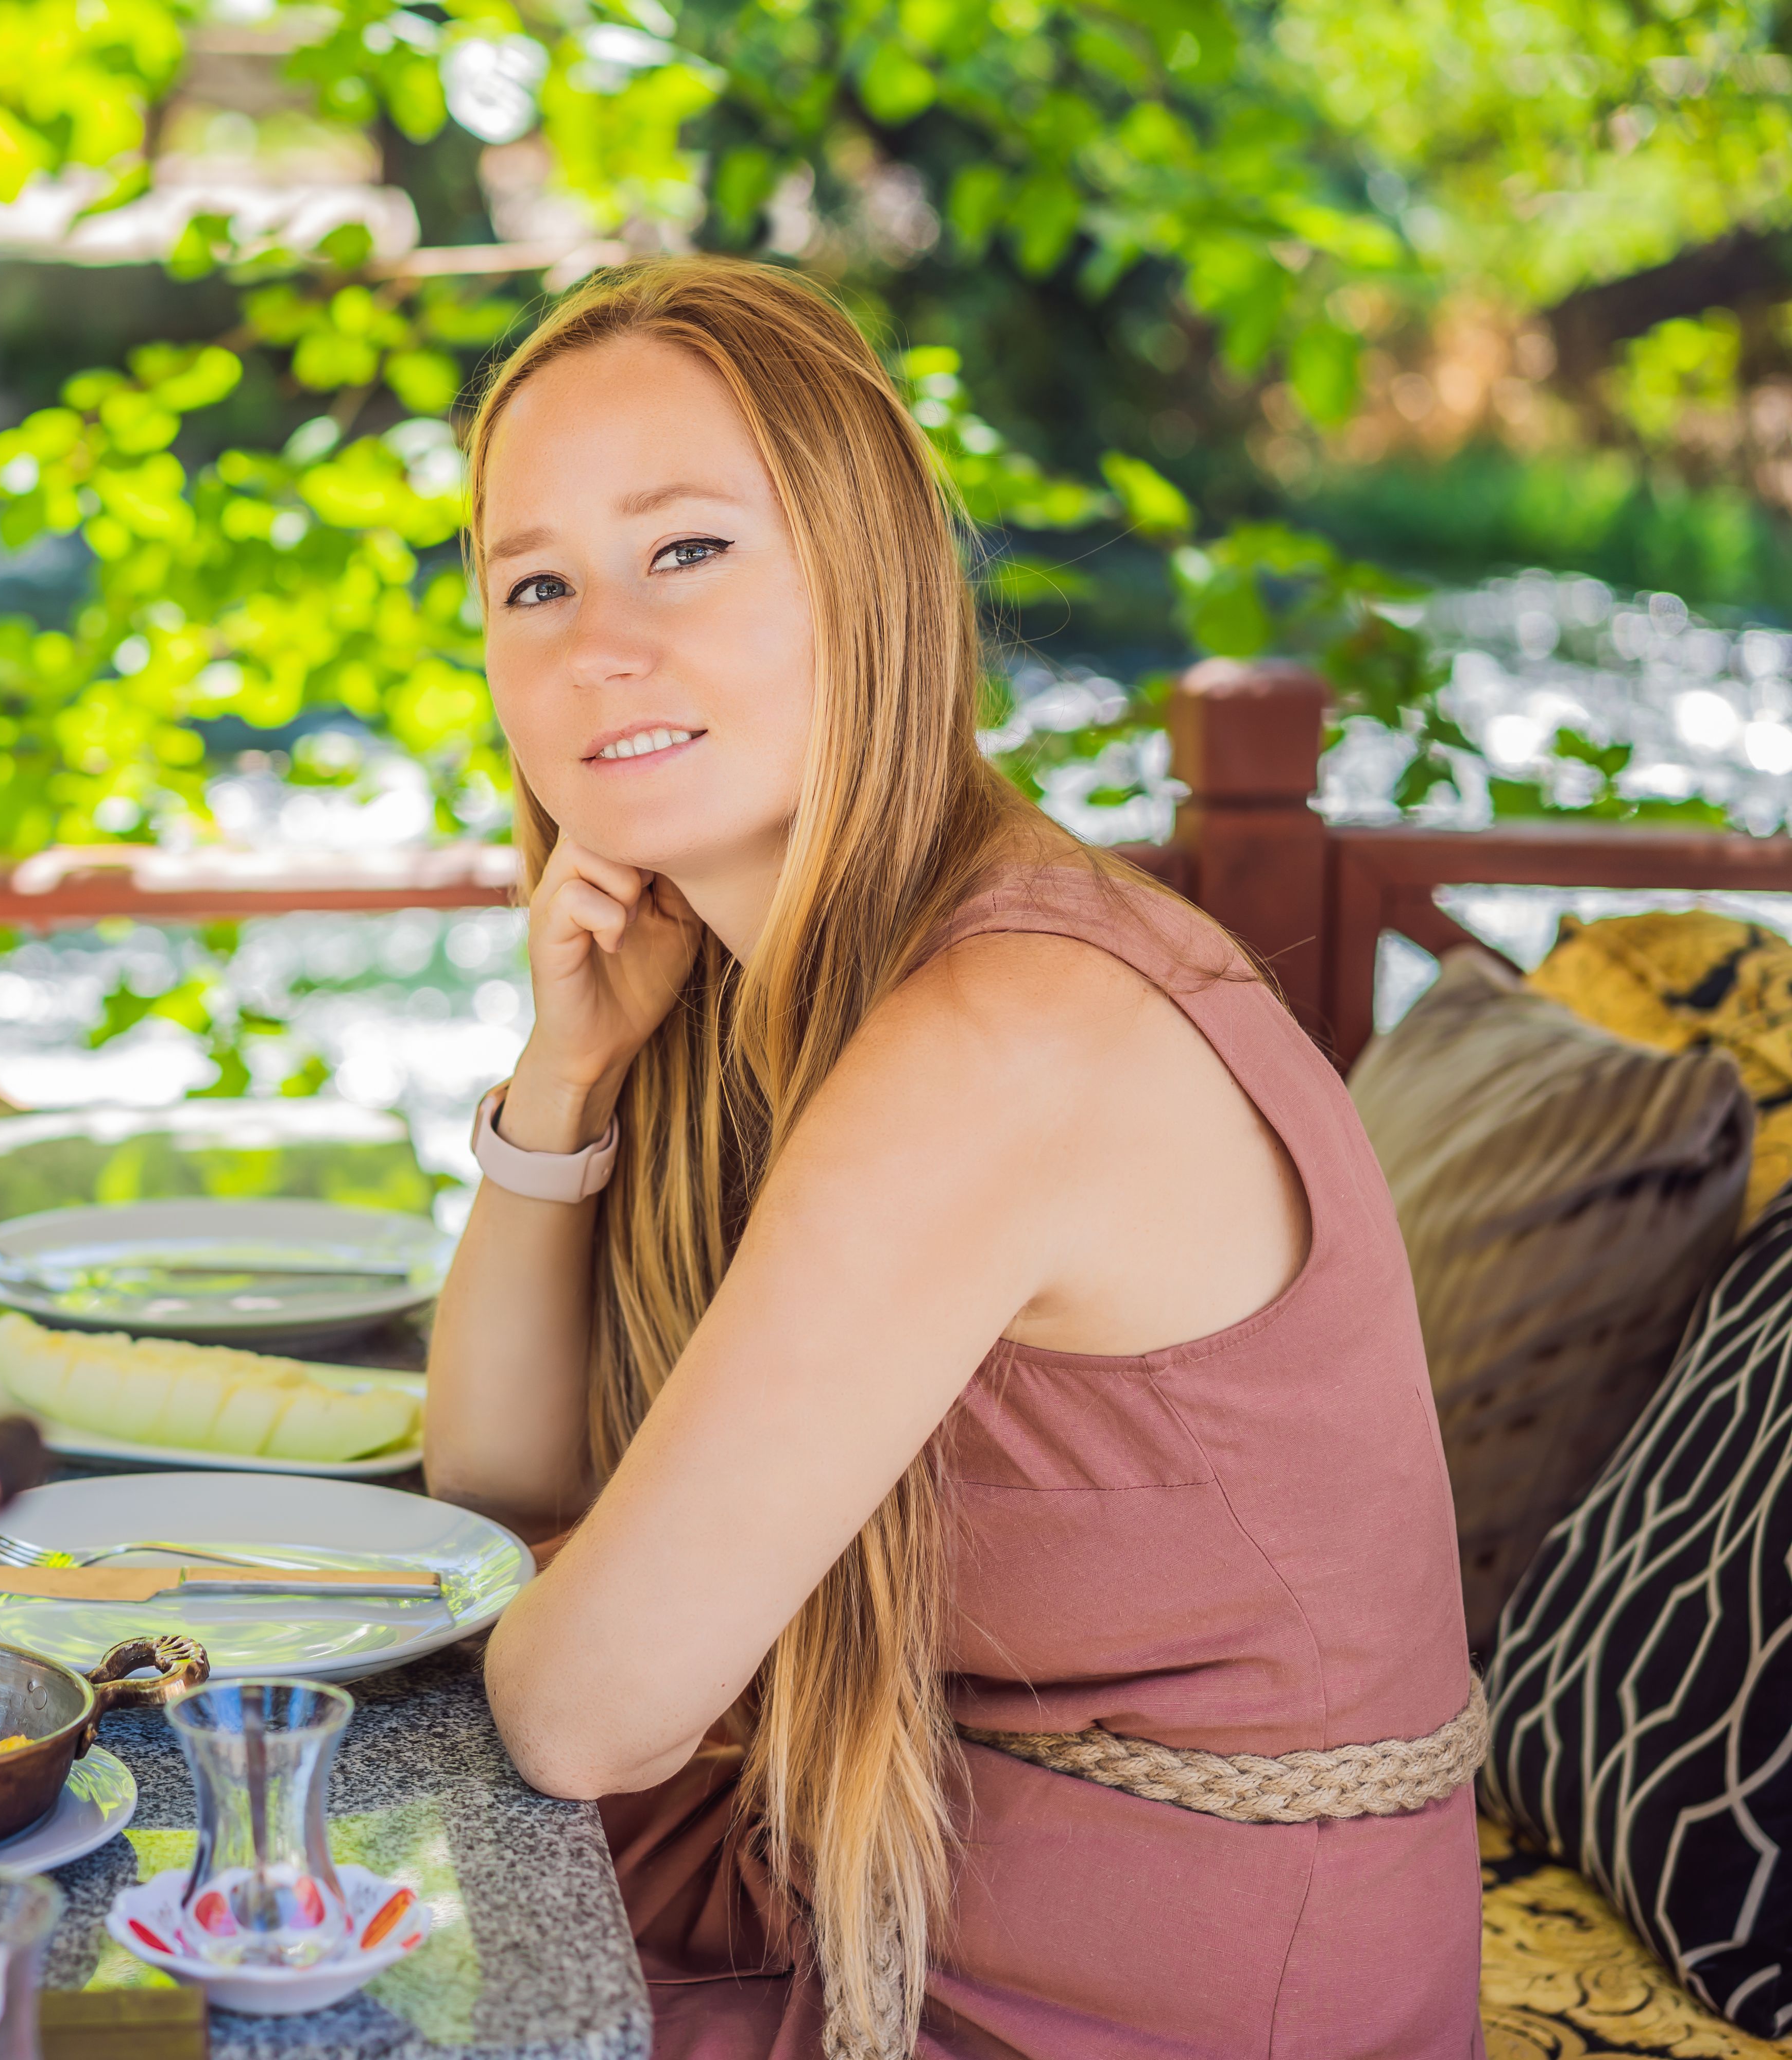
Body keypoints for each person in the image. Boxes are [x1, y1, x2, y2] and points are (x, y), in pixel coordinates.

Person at [424, 255, 1484, 2059]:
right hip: (891, 1884)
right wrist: (568, 1080)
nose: (601, 638)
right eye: (537, 583)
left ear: (870, 570)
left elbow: (580, 1708)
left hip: (1146, 1998)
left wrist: (534, 1615)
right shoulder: (776, 996)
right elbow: (494, 1497)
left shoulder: (998, 1037)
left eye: (686, 550)